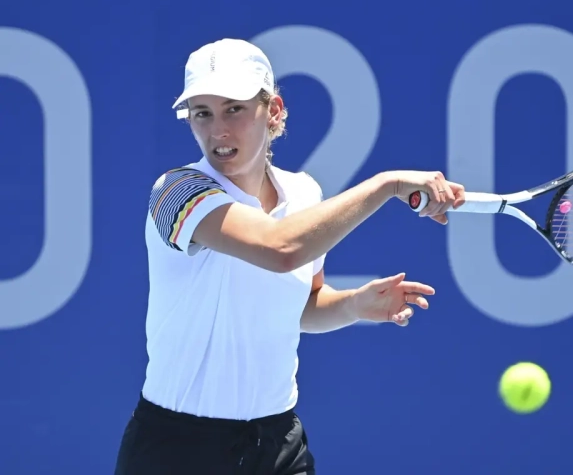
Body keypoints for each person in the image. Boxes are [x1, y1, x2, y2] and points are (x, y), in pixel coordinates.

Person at [114, 38, 465, 475]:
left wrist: (354, 304)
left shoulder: (304, 193)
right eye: (202, 113)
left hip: (278, 444)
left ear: (274, 110)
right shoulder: (176, 192)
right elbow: (280, 250)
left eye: (234, 109)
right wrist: (388, 184)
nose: (218, 130)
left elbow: (302, 306)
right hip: (176, 451)